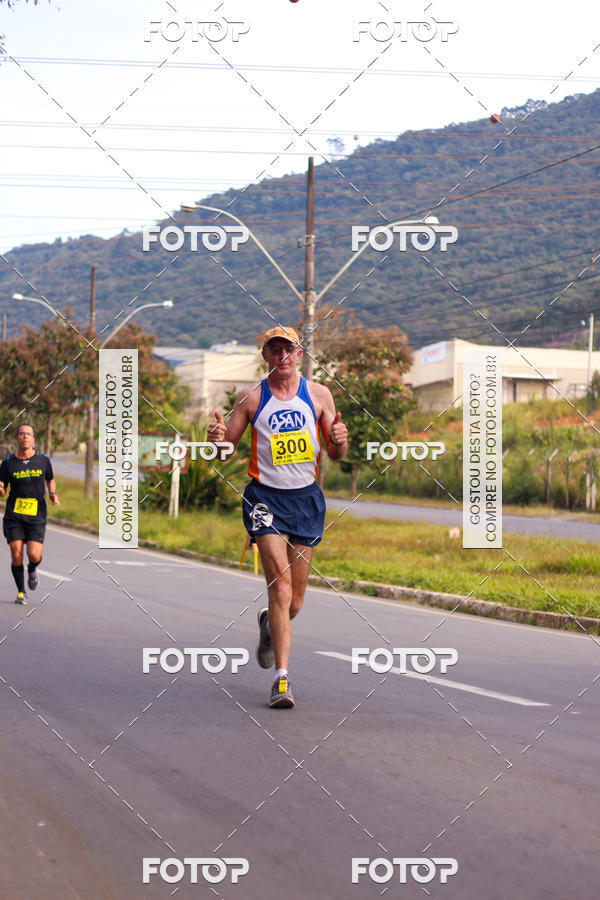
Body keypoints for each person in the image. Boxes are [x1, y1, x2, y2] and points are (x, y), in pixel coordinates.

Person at [209, 326, 348, 709]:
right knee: (281, 587)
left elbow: (336, 454)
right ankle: (282, 681)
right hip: (264, 499)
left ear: (299, 354)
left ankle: (270, 625)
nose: (282, 356)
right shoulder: (251, 399)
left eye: (288, 349)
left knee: (295, 603)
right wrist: (218, 439)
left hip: (306, 501)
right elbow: (225, 452)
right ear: (266, 356)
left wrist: (340, 438)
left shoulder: (319, 395)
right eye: (275, 350)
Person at [0, 424, 59, 605]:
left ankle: (32, 569)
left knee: (33, 555)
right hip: (14, 514)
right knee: (16, 552)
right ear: (17, 438)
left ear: (33, 439)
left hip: (36, 514)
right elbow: (2, 485)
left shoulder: (42, 460)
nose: (25, 437)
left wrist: (52, 494)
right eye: (22, 434)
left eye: (28, 434)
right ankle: (21, 592)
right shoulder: (8, 462)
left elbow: (50, 479)